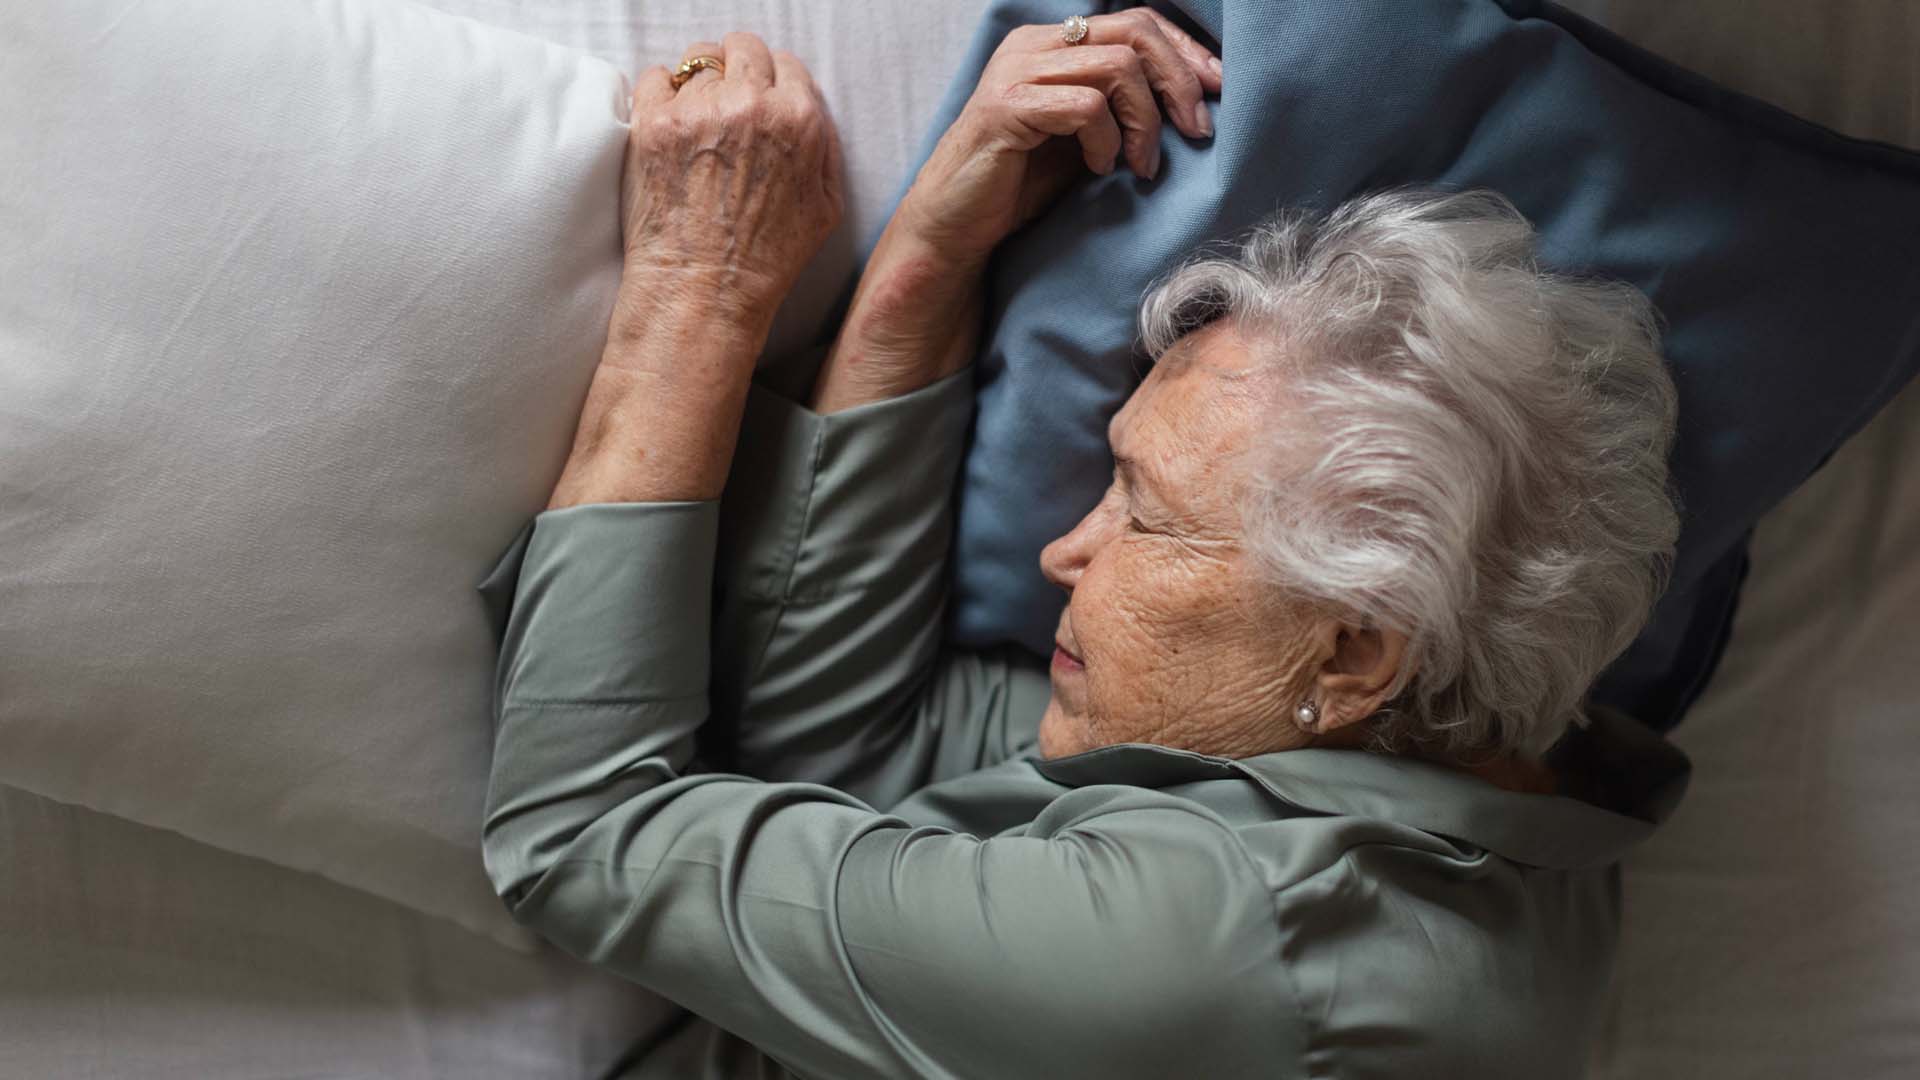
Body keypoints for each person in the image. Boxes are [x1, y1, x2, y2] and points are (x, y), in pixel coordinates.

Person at [477, 10, 1690, 1077]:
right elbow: (845, 771)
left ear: (1354, 651)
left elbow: (577, 838)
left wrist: (702, 284)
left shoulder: (1206, 957)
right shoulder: (1502, 794)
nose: (1066, 549)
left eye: (1142, 514)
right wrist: (930, 259)